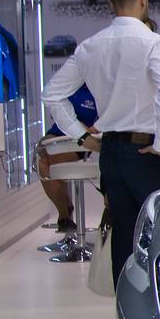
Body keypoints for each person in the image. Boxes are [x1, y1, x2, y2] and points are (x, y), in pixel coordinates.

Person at [43, 0, 160, 284]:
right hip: (146, 152)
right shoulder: (152, 42)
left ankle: (124, 315)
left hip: (111, 153)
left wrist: (81, 136)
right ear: (144, 0)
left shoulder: (91, 46)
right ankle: (157, 316)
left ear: (109, 3)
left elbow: (51, 93)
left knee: (123, 236)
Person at [37, 84, 97, 232]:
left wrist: (79, 127)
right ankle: (64, 211)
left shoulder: (99, 88)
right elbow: (55, 112)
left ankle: (65, 215)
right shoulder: (68, 85)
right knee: (43, 163)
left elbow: (103, 125)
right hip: (56, 135)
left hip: (82, 140)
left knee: (51, 158)